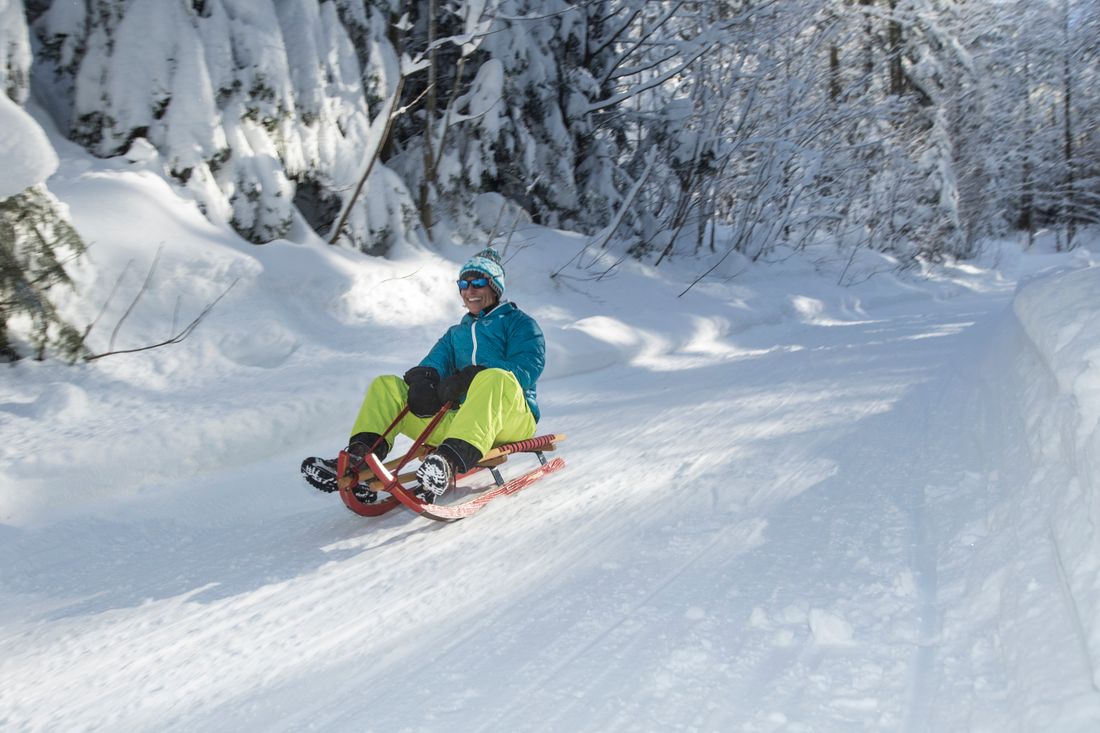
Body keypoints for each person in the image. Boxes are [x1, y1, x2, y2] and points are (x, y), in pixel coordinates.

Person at [325, 247, 545, 501]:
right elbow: (431, 365)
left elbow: (528, 368)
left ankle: (447, 463)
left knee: (493, 378)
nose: (469, 290)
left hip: (511, 419)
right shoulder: (455, 334)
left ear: (494, 287)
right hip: (462, 422)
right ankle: (360, 458)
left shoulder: (520, 323)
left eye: (478, 283)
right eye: (463, 284)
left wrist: (471, 377)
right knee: (386, 385)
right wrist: (423, 383)